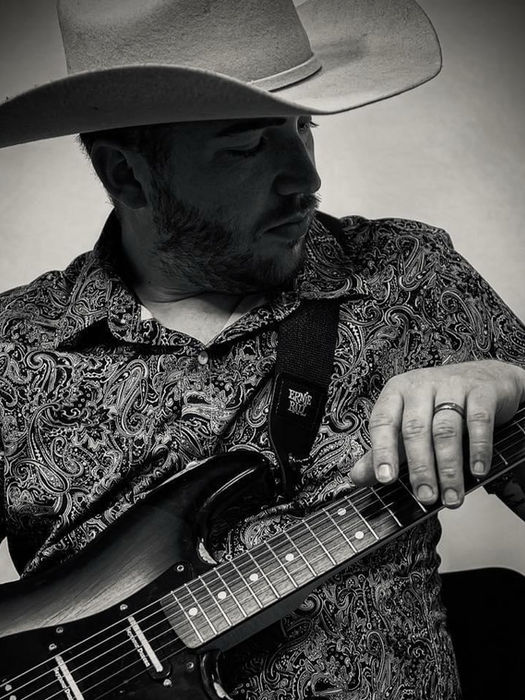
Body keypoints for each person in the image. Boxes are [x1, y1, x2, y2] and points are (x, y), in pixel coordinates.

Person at [0, 0, 524, 698]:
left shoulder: (408, 274)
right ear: (127, 176)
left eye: (302, 128)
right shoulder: (13, 350)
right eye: (247, 145)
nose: (305, 180)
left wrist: (511, 384)